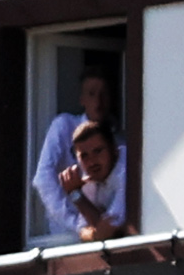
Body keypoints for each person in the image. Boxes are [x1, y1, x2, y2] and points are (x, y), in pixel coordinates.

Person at [30, 62, 127, 245]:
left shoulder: (122, 147)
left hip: (103, 237)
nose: (98, 103)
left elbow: (111, 222)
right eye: (91, 94)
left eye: (103, 95)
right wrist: (75, 224)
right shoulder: (64, 125)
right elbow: (43, 179)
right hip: (62, 237)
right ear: (82, 98)